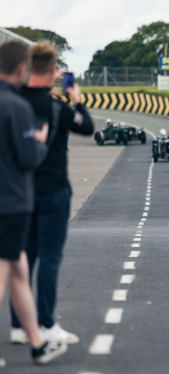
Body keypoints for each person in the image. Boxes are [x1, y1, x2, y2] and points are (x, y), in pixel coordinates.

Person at [10, 42, 94, 346]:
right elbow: (87, 128)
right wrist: (77, 100)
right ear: (54, 70)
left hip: (20, 191)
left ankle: (19, 325)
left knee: (23, 258)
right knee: (50, 257)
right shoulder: (56, 108)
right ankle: (45, 322)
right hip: (54, 191)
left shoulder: (14, 102)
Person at [0, 41, 67, 365]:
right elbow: (28, 158)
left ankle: (37, 341)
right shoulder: (16, 107)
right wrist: (39, 143)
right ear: (21, 69)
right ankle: (39, 336)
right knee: (6, 269)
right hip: (11, 200)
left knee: (20, 270)